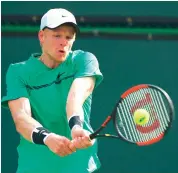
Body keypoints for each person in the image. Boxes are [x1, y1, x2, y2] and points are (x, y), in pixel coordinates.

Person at [1, 8, 103, 173]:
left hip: (78, 166)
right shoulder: (18, 72)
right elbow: (21, 118)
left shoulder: (84, 60)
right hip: (34, 167)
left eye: (69, 37)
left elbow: (76, 96)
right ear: (42, 36)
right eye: (57, 35)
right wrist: (47, 138)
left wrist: (76, 128)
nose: (64, 42)